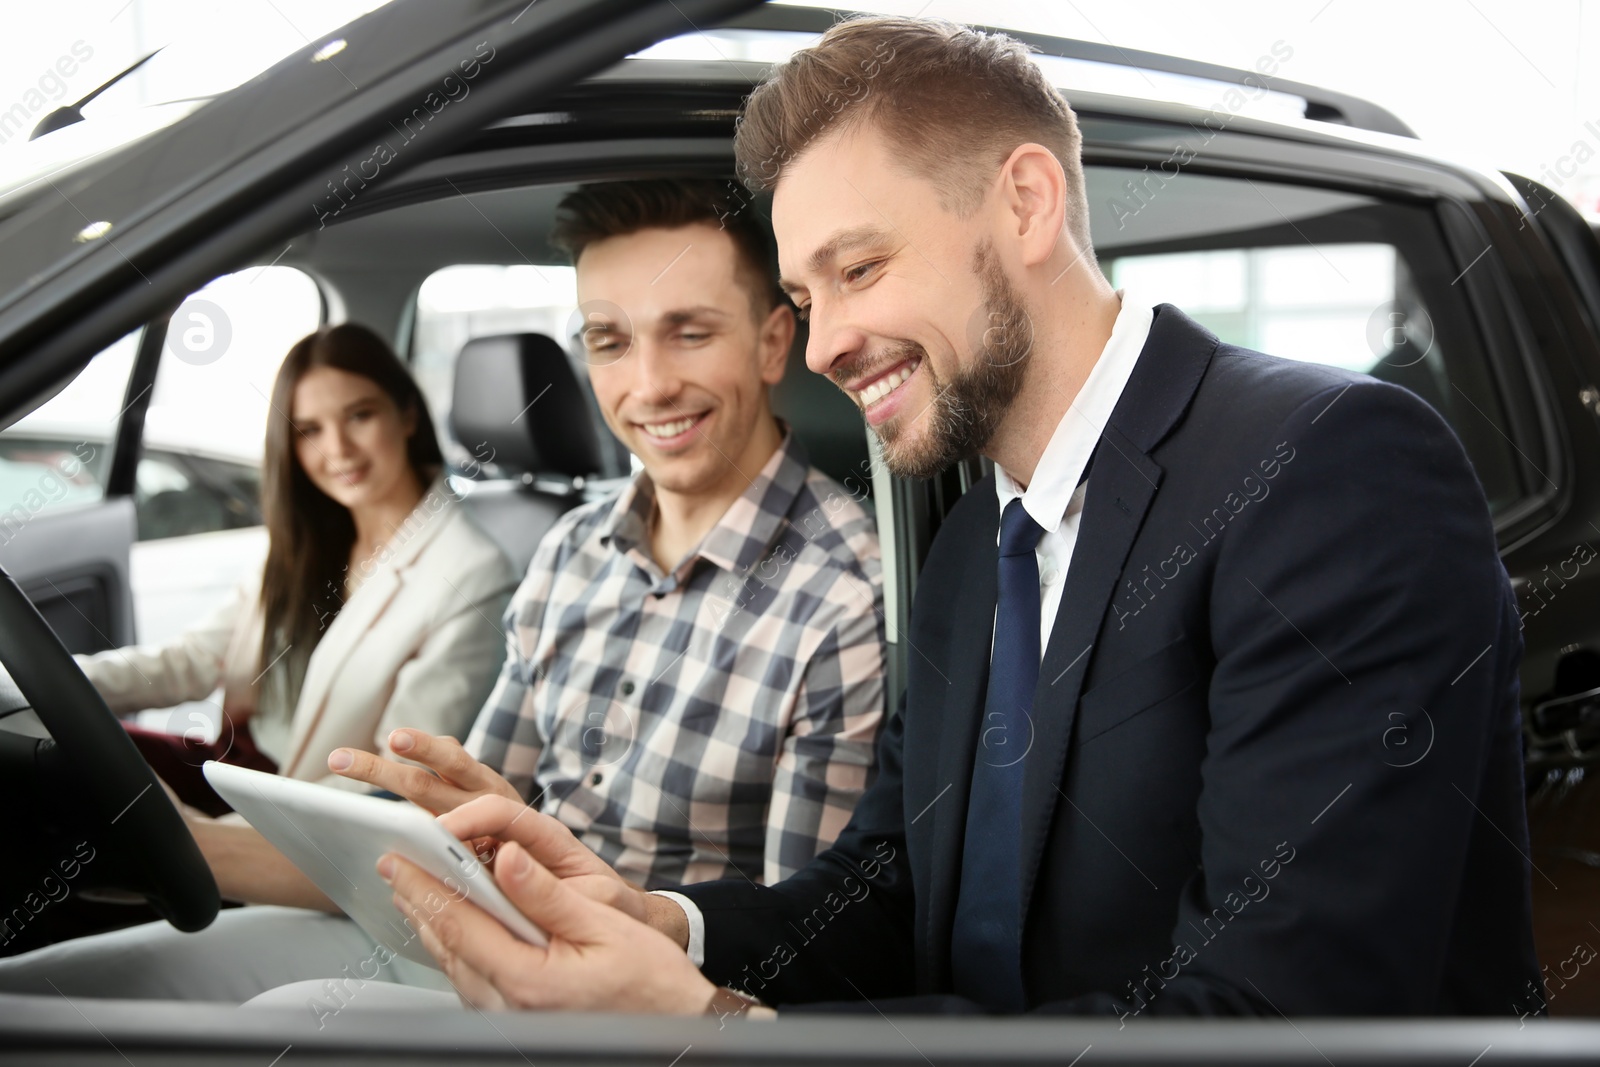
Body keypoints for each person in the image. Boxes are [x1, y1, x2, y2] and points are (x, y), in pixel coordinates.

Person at [367, 16, 1542, 1019]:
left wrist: (724, 1026)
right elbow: (895, 886)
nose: (821, 344)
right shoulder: (981, 542)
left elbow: (1268, 1020)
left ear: (1025, 203)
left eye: (860, 268)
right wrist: (665, 924)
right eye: (801, 295)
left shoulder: (1322, 468)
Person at [0, 180, 886, 1004]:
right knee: (59, 993)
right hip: (474, 923)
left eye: (690, 331)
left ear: (774, 343)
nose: (648, 384)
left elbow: (794, 943)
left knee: (304, 1018)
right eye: (610, 340)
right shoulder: (573, 550)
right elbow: (469, 806)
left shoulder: (844, 593)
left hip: (630, 995)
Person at [74, 322, 518, 809]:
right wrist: (57, 680)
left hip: (305, 809)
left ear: (408, 415)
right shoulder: (311, 537)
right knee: (70, 752)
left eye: (360, 416)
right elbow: (194, 661)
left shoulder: (471, 572)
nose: (338, 450)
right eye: (310, 430)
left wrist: (225, 838)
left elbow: (395, 777)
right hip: (237, 769)